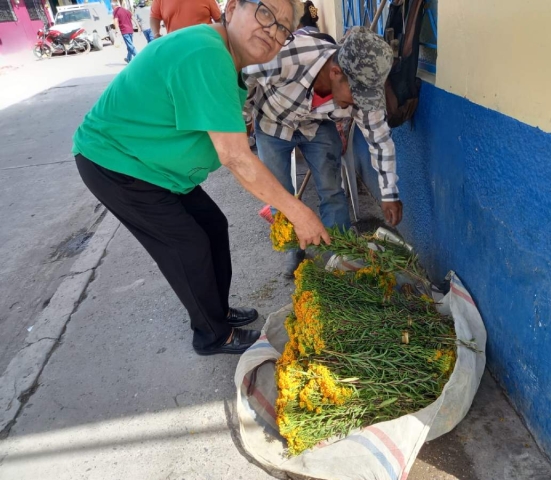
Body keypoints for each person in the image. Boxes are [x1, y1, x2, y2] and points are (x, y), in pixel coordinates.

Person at [72, 0, 329, 357]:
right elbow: (236, 157)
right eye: (266, 13)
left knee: (212, 225)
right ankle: (212, 335)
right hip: (118, 162)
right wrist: (299, 212)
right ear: (233, 6)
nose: (273, 32)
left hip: (155, 166)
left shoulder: (224, 56)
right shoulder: (206, 52)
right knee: (186, 245)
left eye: (284, 28)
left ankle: (218, 311)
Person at [243, 27, 403, 277]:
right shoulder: (287, 56)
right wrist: (240, 124)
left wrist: (389, 192)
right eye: (356, 95)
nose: (361, 104)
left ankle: (340, 254)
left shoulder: (362, 92)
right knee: (280, 193)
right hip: (272, 123)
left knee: (332, 190)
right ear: (336, 72)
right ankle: (294, 249)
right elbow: (246, 76)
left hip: (317, 126)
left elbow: (380, 139)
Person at [150, 0, 222, 38]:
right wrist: (156, 33)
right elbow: (154, 17)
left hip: (206, 43)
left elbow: (219, 20)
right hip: (177, 47)